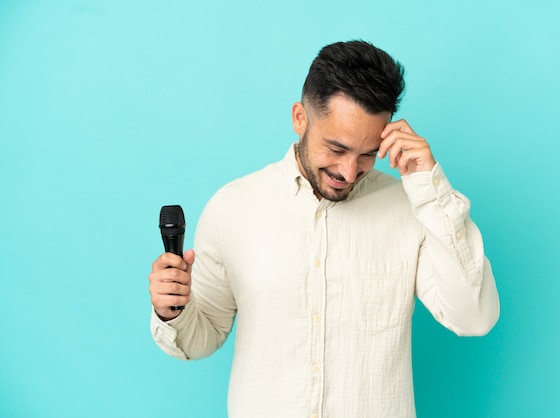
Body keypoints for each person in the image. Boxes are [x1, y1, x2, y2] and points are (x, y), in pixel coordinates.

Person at [148, 40, 499, 418]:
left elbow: (474, 317)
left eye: (367, 153)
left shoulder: (411, 208)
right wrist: (173, 310)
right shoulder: (233, 207)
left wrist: (431, 189)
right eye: (336, 147)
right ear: (300, 118)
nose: (348, 172)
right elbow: (202, 336)